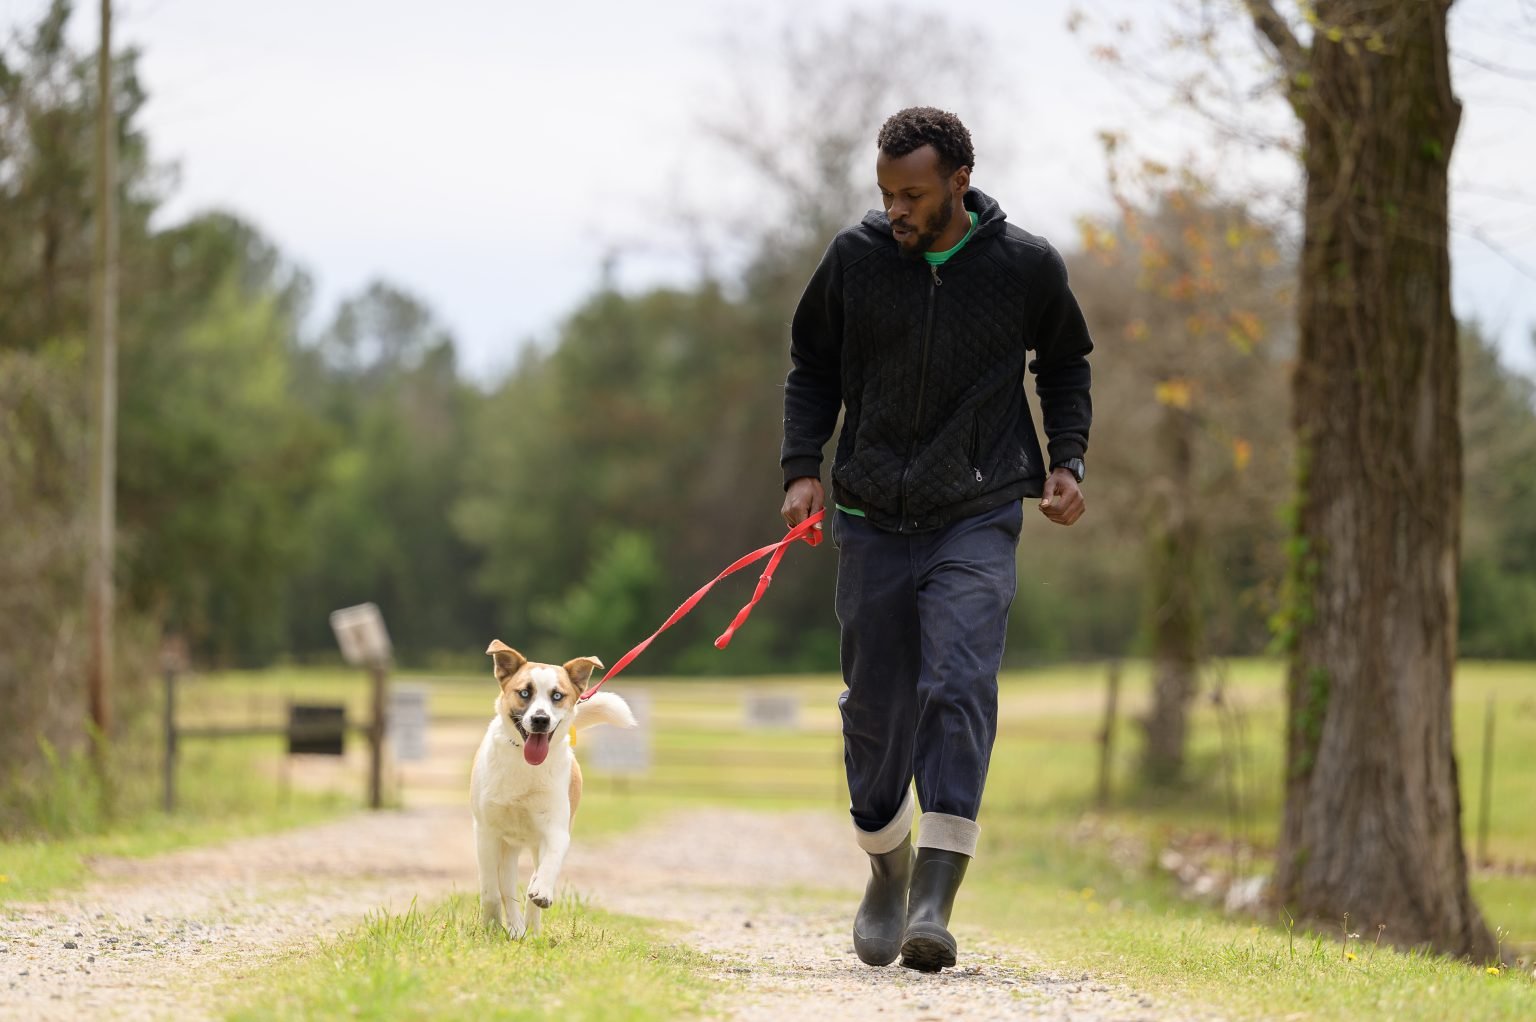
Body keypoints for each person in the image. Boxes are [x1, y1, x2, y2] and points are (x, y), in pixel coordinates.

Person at [778, 106, 1093, 973]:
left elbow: (1064, 363)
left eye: (912, 195)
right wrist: (802, 467)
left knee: (958, 684)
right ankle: (888, 866)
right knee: (874, 709)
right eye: (886, 194)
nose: (896, 212)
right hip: (872, 515)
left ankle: (934, 899)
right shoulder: (856, 259)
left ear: (959, 182)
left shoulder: (1025, 266)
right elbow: (812, 364)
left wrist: (1067, 458)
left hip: (979, 508)